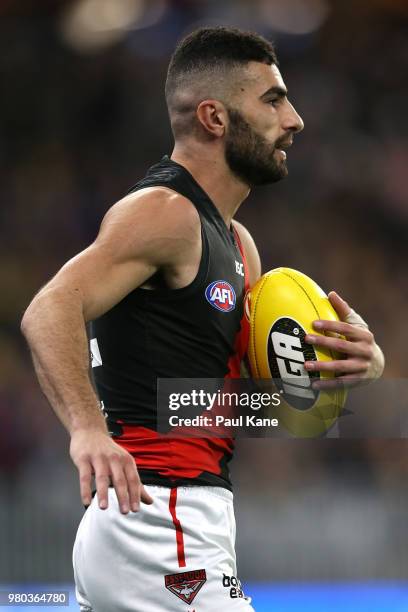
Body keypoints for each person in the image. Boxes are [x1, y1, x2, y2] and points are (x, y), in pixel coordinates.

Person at [21, 27, 384, 612]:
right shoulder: (165, 213)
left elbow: (237, 407)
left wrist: (347, 369)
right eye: (272, 99)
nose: (293, 120)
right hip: (159, 517)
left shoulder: (239, 244)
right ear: (215, 117)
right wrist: (87, 429)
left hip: (183, 521)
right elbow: (49, 308)